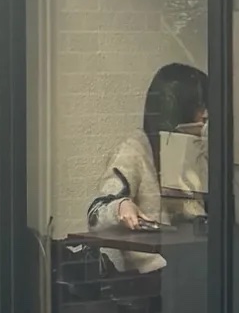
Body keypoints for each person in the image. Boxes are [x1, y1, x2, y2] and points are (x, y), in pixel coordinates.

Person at [88, 63, 210, 269]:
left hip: (196, 259)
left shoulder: (195, 150)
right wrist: (121, 206)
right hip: (157, 270)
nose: (205, 115)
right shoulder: (135, 150)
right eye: (199, 107)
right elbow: (96, 214)